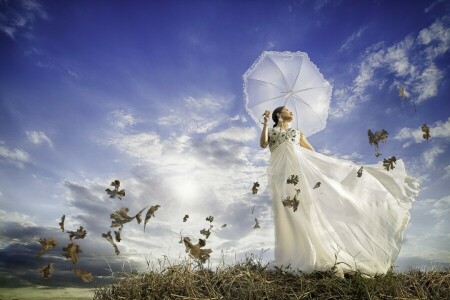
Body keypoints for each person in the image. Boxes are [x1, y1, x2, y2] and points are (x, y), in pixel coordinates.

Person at [260, 106, 420, 277]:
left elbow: (311, 152)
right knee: (286, 214)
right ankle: (292, 255)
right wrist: (265, 123)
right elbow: (263, 144)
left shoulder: (298, 132)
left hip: (298, 174)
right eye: (287, 110)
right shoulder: (271, 131)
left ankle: (314, 255)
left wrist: (326, 167)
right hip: (280, 175)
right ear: (279, 114)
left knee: (302, 211)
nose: (291, 112)